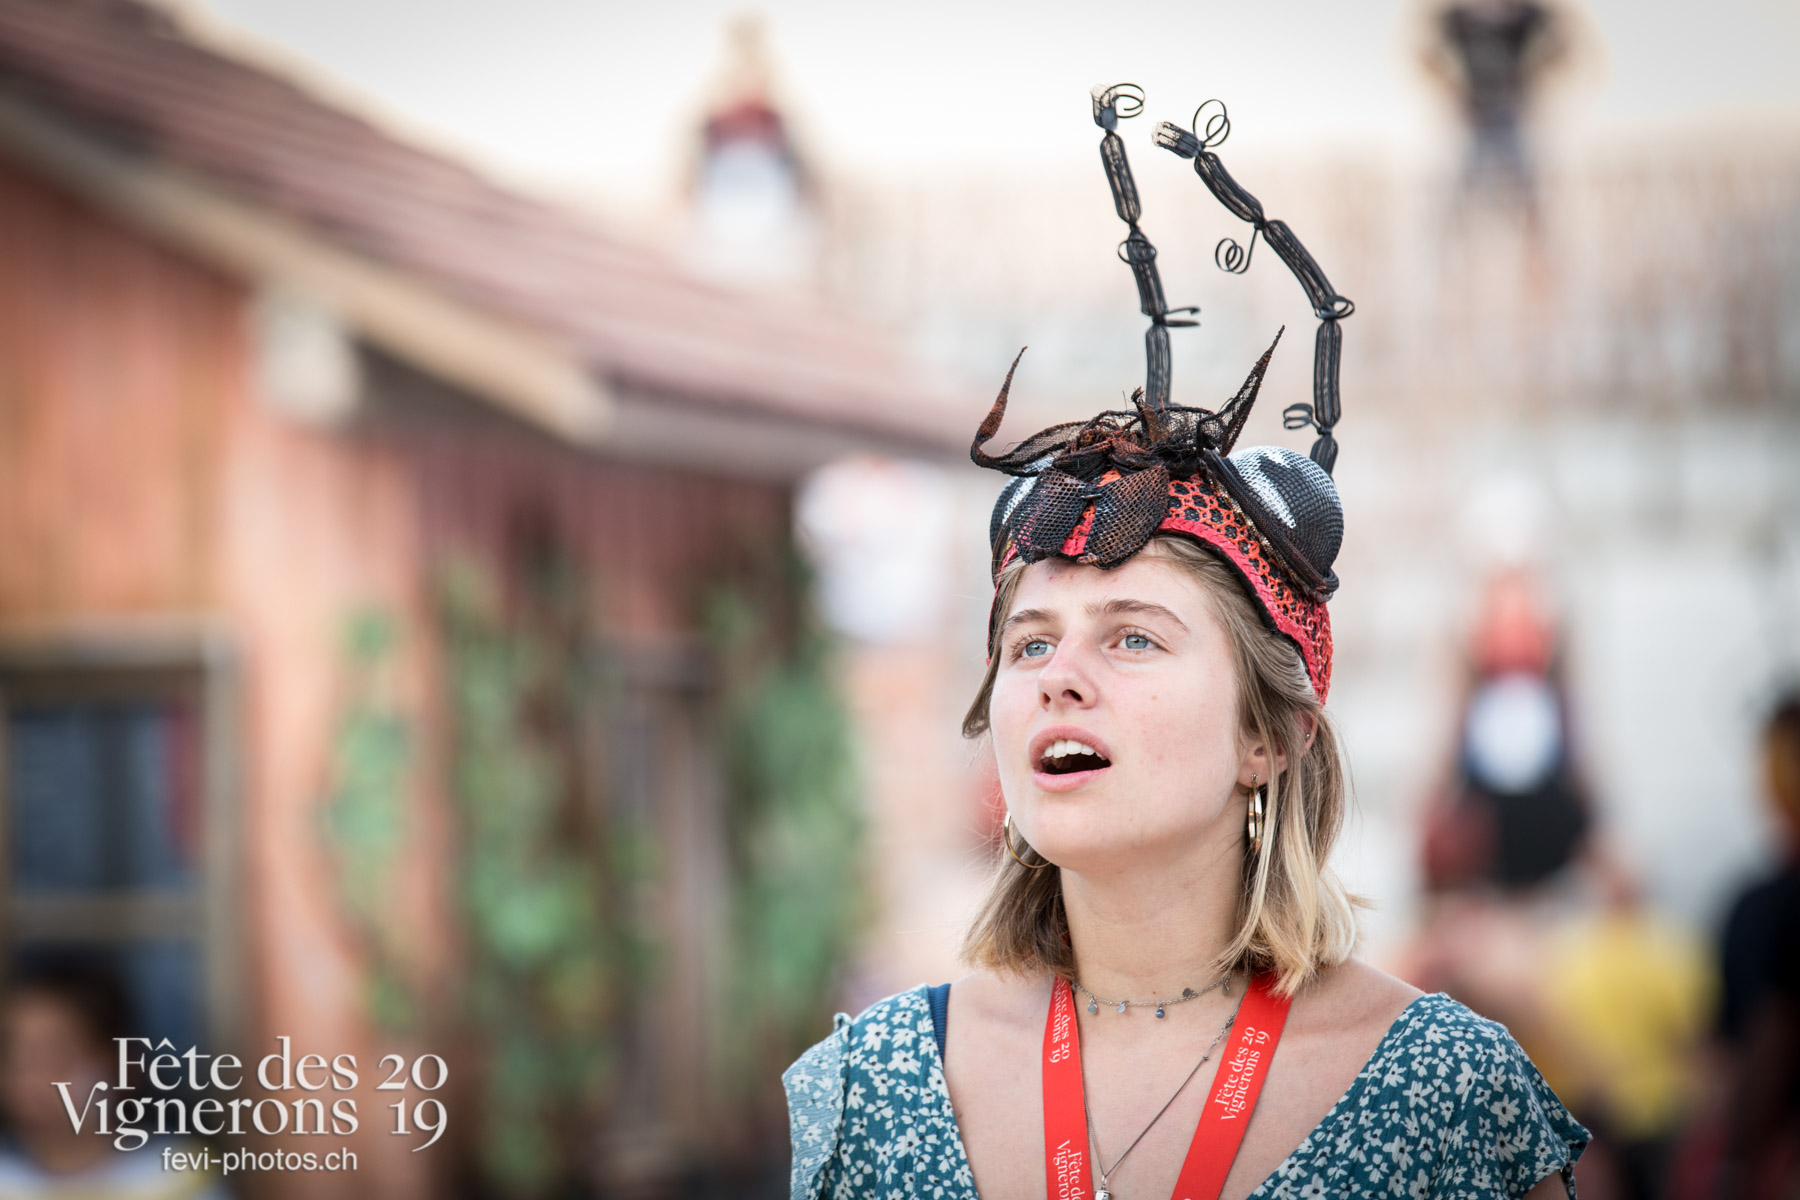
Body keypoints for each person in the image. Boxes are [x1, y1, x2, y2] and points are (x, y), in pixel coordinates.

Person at [783, 84, 1589, 1200]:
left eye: (1133, 640)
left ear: (1271, 734)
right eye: (1029, 644)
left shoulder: (1448, 1101)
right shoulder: (871, 1091)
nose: (1059, 677)